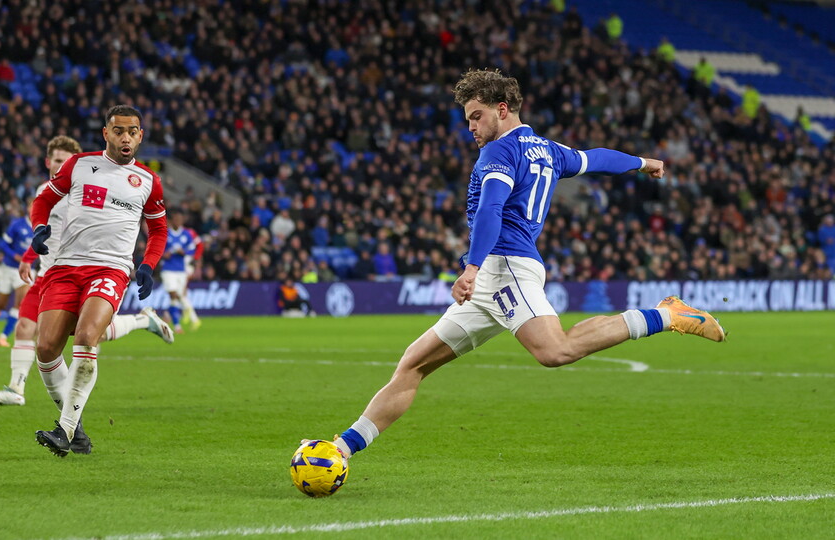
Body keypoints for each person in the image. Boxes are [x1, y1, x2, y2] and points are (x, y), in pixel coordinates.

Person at [303, 68, 726, 469]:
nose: (470, 126)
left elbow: (490, 208)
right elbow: (593, 158)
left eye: (476, 116)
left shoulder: (499, 151)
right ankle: (339, 449)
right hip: (496, 272)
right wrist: (640, 161)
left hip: (504, 266)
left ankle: (668, 314)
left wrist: (470, 268)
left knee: (554, 350)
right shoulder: (548, 150)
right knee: (413, 364)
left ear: (501, 109)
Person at [0, 135, 174, 409]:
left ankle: (143, 321)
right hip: (47, 273)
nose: (60, 166)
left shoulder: (83, 187)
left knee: (91, 333)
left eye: (64, 161)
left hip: (76, 273)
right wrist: (28, 256)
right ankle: (17, 389)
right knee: (25, 327)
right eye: (56, 161)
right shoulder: (43, 191)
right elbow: (44, 231)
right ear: (48, 161)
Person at [29, 105, 167, 457]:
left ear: (140, 136)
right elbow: (43, 200)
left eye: (132, 131)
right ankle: (75, 429)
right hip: (65, 267)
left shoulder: (148, 181)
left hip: (110, 269)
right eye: (119, 130)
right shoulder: (79, 164)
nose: (126, 137)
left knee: (89, 336)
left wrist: (147, 265)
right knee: (45, 348)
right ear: (106, 133)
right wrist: (39, 228)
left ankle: (64, 429)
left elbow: (159, 229)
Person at [0, 200, 33, 347]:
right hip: (8, 268)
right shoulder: (17, 225)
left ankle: (2, 337)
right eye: (31, 205)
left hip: (26, 270)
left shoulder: (42, 226)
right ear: (27, 208)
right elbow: (3, 244)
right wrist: (14, 255)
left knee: (21, 303)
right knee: (2, 303)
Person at [160, 210, 202, 332]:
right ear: (172, 221)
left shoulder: (186, 234)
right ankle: (182, 320)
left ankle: (176, 324)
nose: (178, 221)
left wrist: (184, 252)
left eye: (180, 219)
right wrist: (164, 254)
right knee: (174, 294)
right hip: (168, 269)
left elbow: (192, 250)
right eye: (176, 219)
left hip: (181, 270)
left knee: (175, 298)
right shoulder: (165, 233)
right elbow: (157, 248)